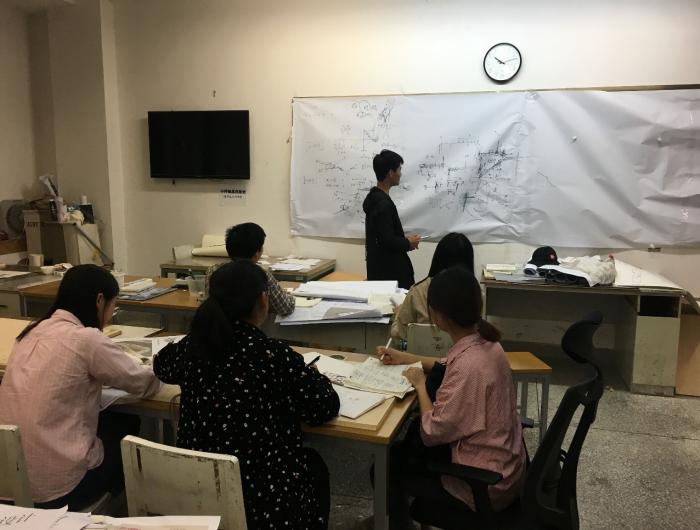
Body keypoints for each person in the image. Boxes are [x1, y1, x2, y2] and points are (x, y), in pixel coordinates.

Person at [154, 260, 340, 530]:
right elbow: (324, 406)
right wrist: (315, 376)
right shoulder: (273, 355)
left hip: (198, 490)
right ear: (263, 301)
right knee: (314, 466)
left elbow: (162, 365)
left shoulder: (194, 347)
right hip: (264, 501)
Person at [0, 265, 161, 509]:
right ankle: (117, 510)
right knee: (127, 425)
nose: (111, 315)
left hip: (9, 483)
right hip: (58, 491)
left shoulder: (30, 333)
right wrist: (162, 367)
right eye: (113, 306)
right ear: (99, 301)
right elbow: (143, 383)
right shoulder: (87, 339)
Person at [377, 266, 526, 528]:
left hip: (480, 485)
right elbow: (447, 363)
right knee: (401, 453)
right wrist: (403, 358)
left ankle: (395, 524)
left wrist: (420, 385)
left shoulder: (469, 366)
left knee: (387, 465)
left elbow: (431, 432)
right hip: (507, 470)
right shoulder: (488, 344)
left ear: (439, 316)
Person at [391, 232, 474, 341]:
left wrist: (398, 314)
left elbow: (399, 333)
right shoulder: (475, 293)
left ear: (438, 258)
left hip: (421, 351)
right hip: (464, 351)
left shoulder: (418, 290)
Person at [205, 222, 295, 316]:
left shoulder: (213, 270)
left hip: (218, 324)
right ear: (257, 253)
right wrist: (290, 296)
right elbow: (285, 307)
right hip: (248, 324)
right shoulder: (260, 275)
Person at [363, 149, 421, 289]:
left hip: (380, 271)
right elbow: (387, 241)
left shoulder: (375, 199)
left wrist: (405, 241)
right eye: (399, 169)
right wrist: (408, 243)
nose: (400, 173)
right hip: (390, 276)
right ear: (390, 173)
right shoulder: (383, 204)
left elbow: (384, 236)